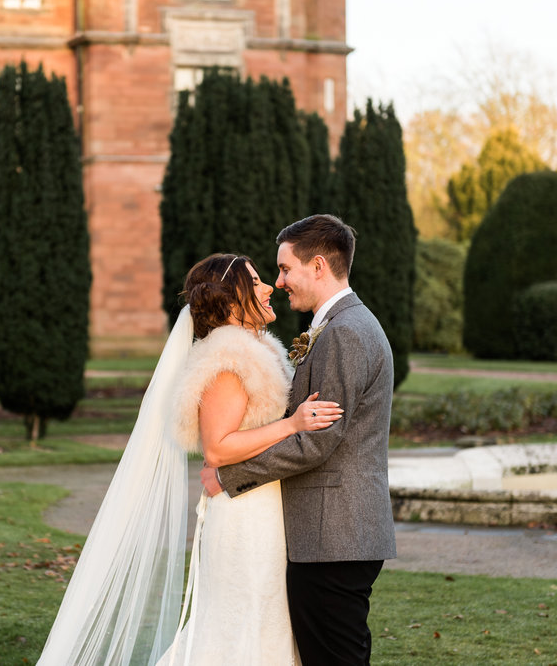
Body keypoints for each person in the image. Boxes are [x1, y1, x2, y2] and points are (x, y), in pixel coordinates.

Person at [36, 253, 342, 666]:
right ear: (232, 303)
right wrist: (292, 425)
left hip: (263, 509)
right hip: (244, 518)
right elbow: (217, 448)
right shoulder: (228, 363)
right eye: (255, 283)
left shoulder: (253, 354)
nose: (270, 287)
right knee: (241, 628)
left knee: (264, 624)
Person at [202, 214, 398, 665]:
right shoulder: (339, 327)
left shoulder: (345, 333)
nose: (279, 281)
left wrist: (229, 473)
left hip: (335, 534)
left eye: (285, 269)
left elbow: (317, 442)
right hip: (336, 533)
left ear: (317, 267)